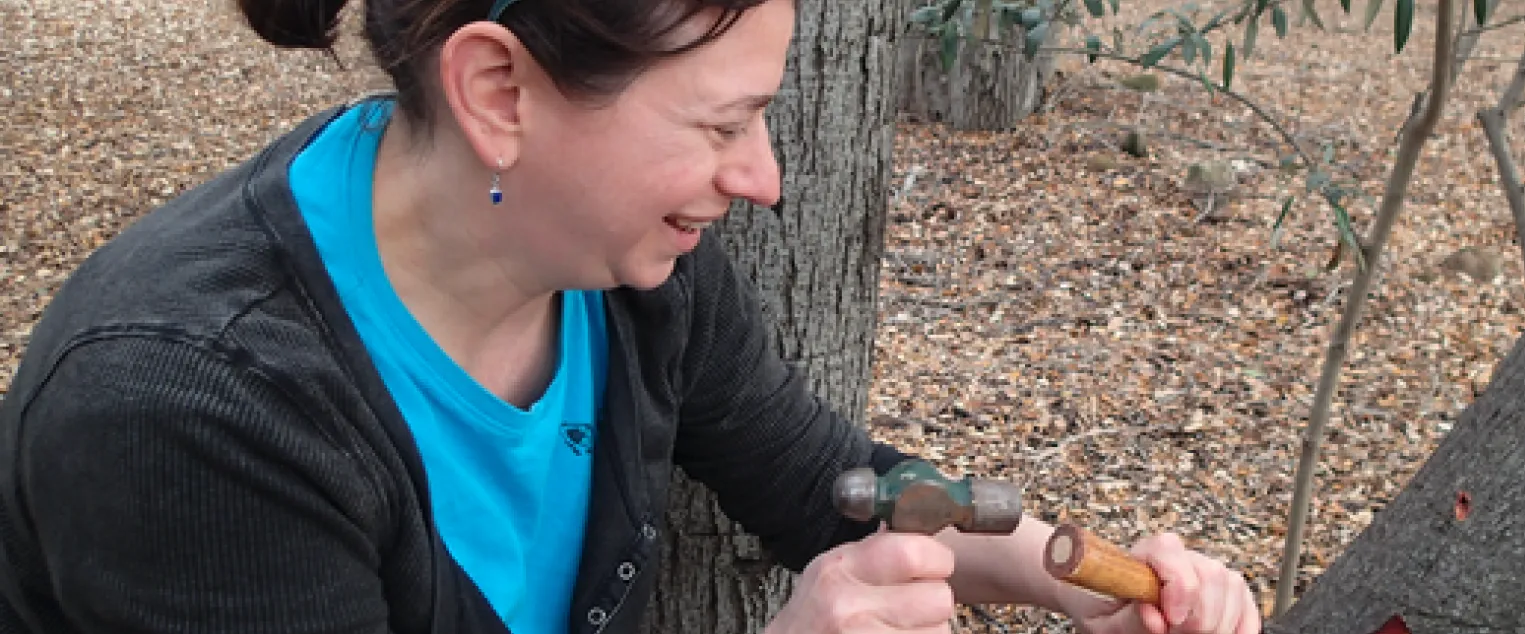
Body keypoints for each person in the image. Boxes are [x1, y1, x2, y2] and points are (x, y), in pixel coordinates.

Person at [0, 0, 1263, 631]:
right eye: (720, 123)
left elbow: (836, 480)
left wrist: (1085, 583)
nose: (764, 176)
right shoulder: (189, 411)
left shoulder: (624, 277)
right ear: (499, 88)